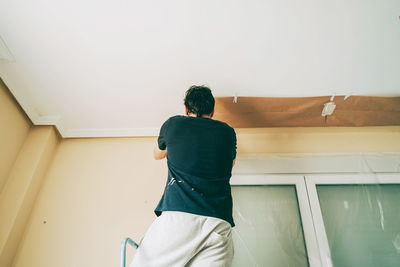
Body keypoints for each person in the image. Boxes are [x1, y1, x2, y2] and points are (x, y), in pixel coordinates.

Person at [130, 85, 237, 267]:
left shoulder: (174, 124)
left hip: (180, 218)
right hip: (219, 223)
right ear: (212, 111)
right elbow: (232, 162)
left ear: (186, 109)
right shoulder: (228, 132)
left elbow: (157, 154)